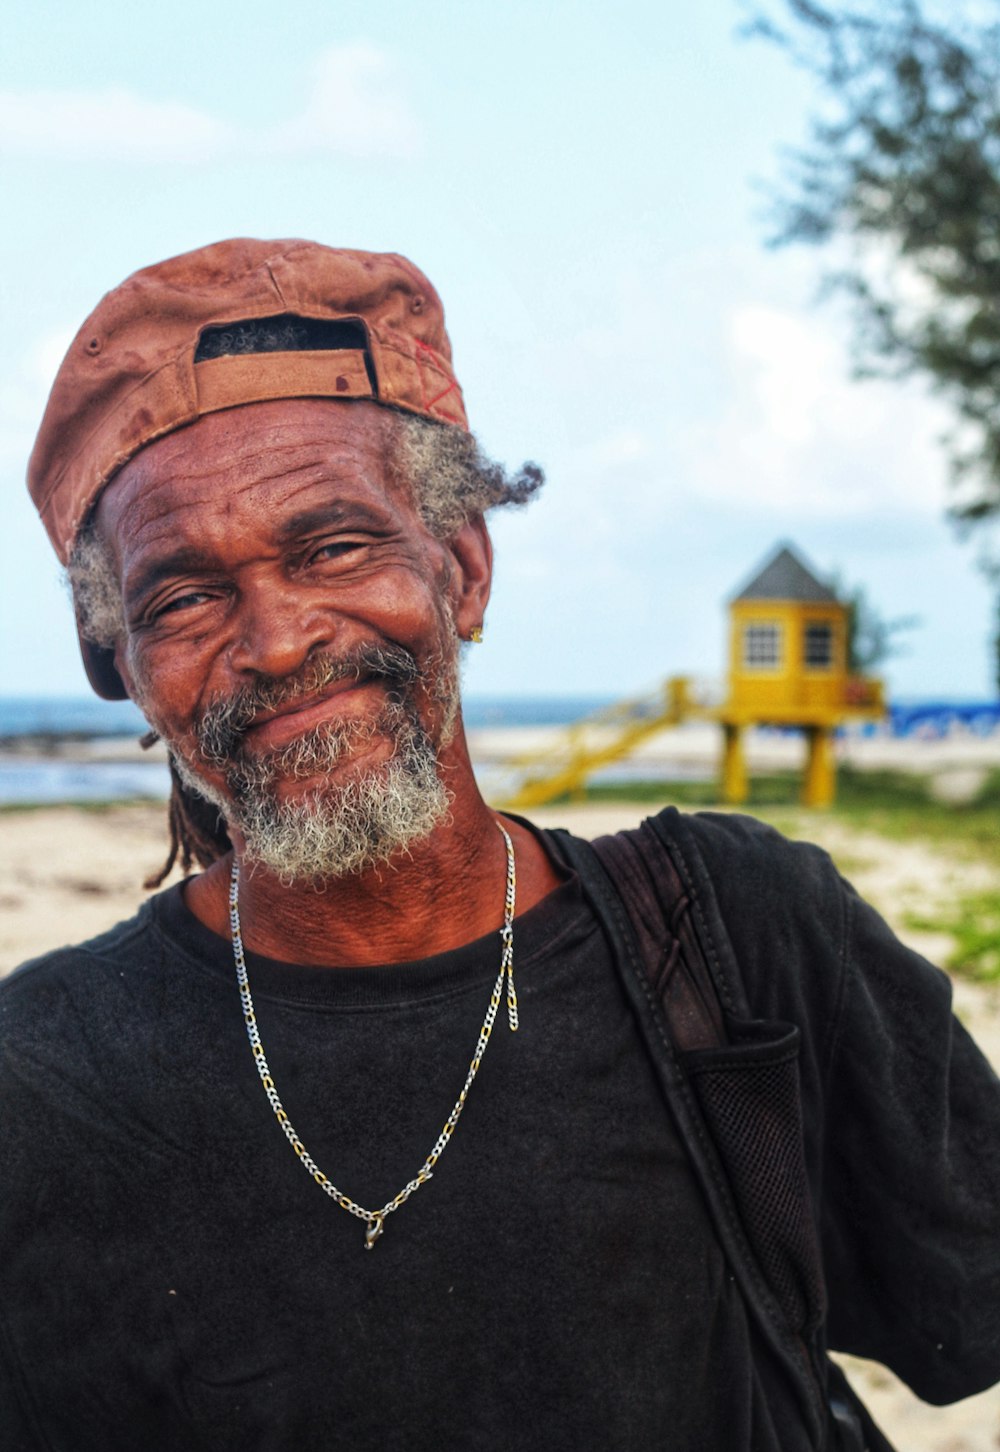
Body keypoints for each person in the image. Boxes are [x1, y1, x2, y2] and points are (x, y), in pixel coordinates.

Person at [2, 237, 997, 1452]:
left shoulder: (737, 939)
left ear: (461, 567)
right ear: (125, 673)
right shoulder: (38, 1086)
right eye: (183, 598)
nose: (274, 640)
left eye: (331, 547)